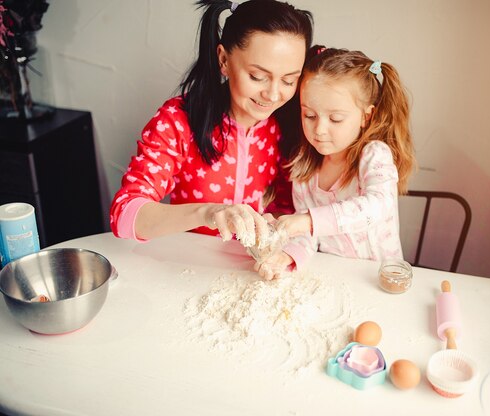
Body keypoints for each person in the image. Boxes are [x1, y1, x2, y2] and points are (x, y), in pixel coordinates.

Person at [109, 0, 313, 246]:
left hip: (253, 270)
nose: (272, 94)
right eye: (257, 77)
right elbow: (124, 214)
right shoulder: (179, 119)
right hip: (186, 265)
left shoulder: (291, 124)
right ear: (224, 60)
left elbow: (290, 207)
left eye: (289, 81)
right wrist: (208, 213)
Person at [255, 46, 417, 280]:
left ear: (366, 116)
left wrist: (308, 220)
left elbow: (377, 206)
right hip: (333, 277)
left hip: (379, 279)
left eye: (335, 118)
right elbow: (308, 236)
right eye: (309, 115)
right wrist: (287, 256)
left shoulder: (374, 155)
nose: (319, 129)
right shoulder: (304, 168)